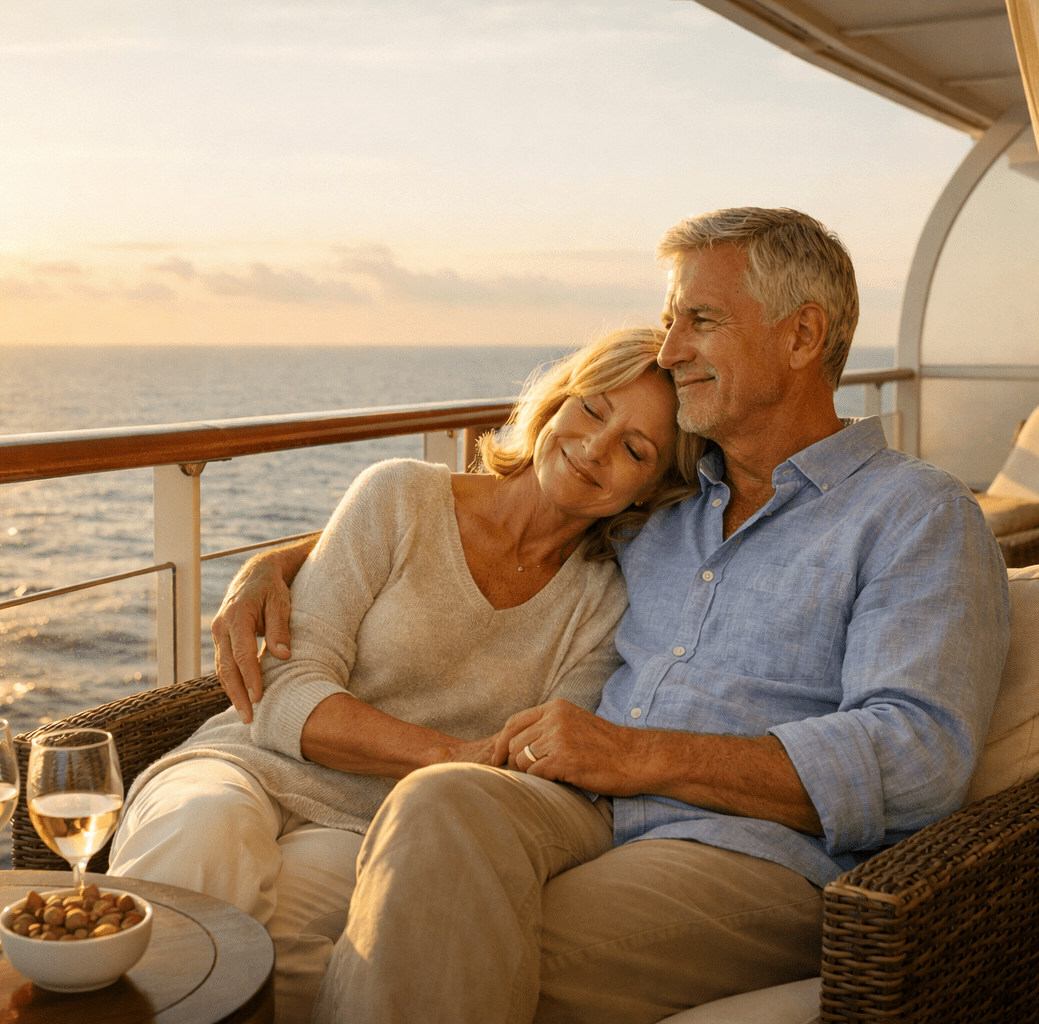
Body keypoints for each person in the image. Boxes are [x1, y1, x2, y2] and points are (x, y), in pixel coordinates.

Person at [212, 207, 1011, 1023]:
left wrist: (636, 756)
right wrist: (274, 567)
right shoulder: (665, 508)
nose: (669, 352)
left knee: (439, 936)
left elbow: (919, 757)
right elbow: (488, 521)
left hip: (746, 858)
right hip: (583, 817)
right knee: (439, 797)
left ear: (803, 336)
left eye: (700, 321)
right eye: (670, 323)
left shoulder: (917, 515)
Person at [108, 326, 706, 1024]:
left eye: (636, 449)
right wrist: (451, 755)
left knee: (295, 955)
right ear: (555, 406)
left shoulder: (605, 604)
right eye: (593, 409)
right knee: (202, 835)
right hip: (248, 762)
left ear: (653, 489)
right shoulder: (399, 496)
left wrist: (464, 770)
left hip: (371, 822)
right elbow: (284, 695)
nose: (596, 448)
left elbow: (530, 762)